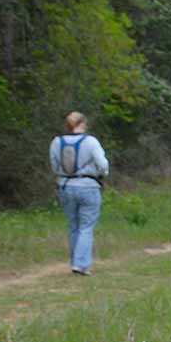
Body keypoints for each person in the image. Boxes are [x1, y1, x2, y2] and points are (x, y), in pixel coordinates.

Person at [49, 111, 109, 275]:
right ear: (82, 123)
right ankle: (81, 264)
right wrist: (102, 174)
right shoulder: (91, 141)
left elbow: (54, 166)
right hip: (88, 186)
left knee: (73, 225)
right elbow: (103, 165)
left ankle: (75, 261)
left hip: (65, 186)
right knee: (86, 227)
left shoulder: (56, 142)